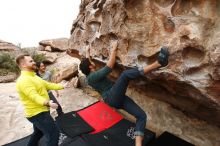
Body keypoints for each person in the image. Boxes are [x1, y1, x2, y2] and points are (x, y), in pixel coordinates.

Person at [79, 42, 169, 146]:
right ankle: (159, 63)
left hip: (116, 99)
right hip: (111, 96)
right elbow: (109, 66)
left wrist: (87, 52)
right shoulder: (92, 77)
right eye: (90, 61)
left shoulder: (89, 76)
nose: (92, 61)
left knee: (141, 116)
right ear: (90, 66)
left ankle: (138, 144)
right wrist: (113, 49)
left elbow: (86, 62)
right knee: (125, 75)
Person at [16, 54, 66, 146]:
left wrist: (62, 86)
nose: (34, 62)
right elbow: (34, 96)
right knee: (54, 134)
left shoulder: (34, 76)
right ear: (23, 65)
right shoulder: (24, 80)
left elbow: (47, 85)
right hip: (38, 114)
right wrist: (47, 102)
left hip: (40, 112)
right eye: (31, 61)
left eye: (33, 60)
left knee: (38, 133)